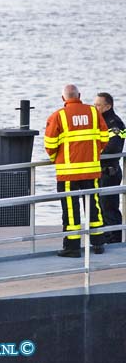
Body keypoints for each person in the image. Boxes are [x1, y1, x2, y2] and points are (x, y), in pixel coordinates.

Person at [45, 84, 108, 257]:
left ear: (63, 98)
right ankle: (98, 243)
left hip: (68, 172)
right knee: (94, 206)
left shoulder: (59, 116)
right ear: (79, 95)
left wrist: (55, 159)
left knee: (71, 211)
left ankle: (72, 248)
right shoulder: (94, 112)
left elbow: (50, 144)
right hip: (92, 170)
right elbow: (104, 138)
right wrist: (94, 154)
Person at [94, 92, 125, 243]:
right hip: (99, 172)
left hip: (109, 172)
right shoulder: (99, 121)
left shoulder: (115, 123)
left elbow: (113, 147)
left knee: (109, 208)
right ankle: (105, 237)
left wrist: (93, 153)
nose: (95, 107)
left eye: (98, 105)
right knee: (100, 208)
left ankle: (115, 239)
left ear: (108, 106)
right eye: (94, 104)